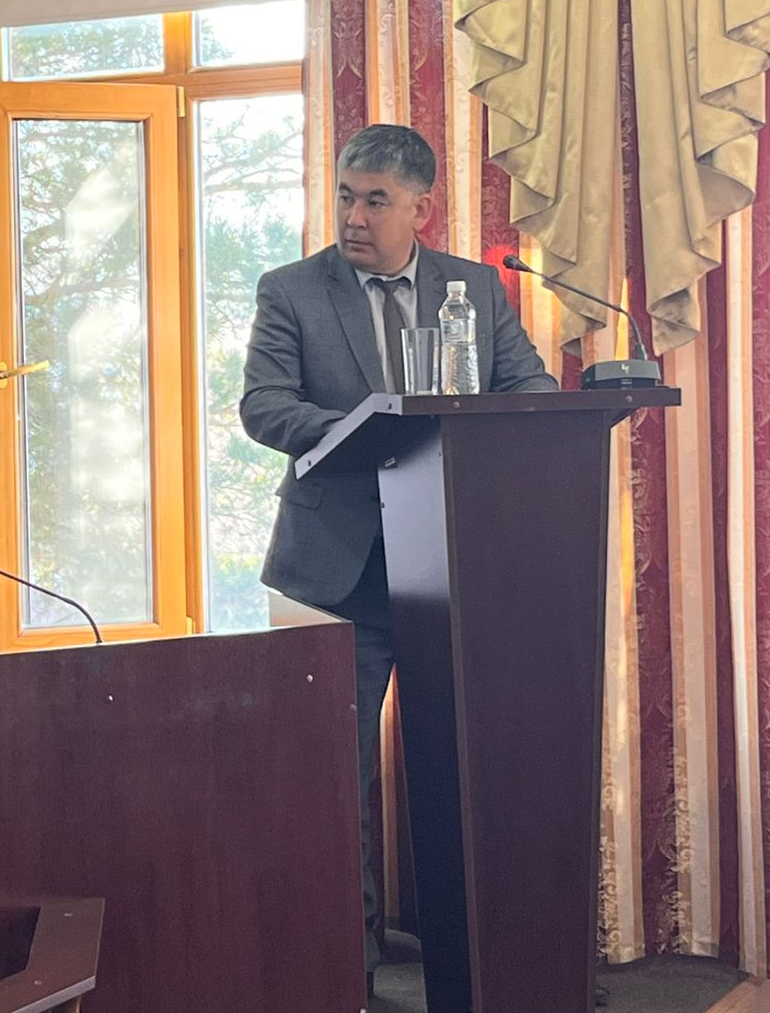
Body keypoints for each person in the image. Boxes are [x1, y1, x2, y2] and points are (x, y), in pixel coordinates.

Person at [239, 124, 558, 988]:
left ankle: (488, 960)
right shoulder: (292, 290)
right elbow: (264, 405)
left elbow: (529, 387)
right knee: (333, 780)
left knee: (471, 767)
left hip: (454, 564)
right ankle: (351, 968)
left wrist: (474, 432)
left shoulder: (473, 288)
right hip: (333, 574)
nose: (354, 215)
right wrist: (369, 428)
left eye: (375, 200)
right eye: (346, 195)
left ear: (421, 208)